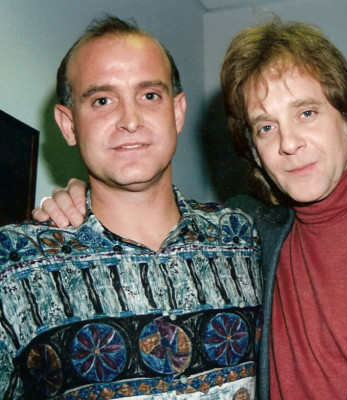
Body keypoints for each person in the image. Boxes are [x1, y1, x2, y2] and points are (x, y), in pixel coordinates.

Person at [34, 17, 347, 400]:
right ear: (253, 150)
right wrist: (79, 197)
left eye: (307, 113)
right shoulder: (249, 227)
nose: (289, 143)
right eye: (266, 127)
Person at [2, 16, 261, 400]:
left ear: (176, 111)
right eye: (102, 100)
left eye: (149, 95)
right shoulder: (14, 263)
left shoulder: (243, 237)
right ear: (69, 124)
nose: (130, 120)